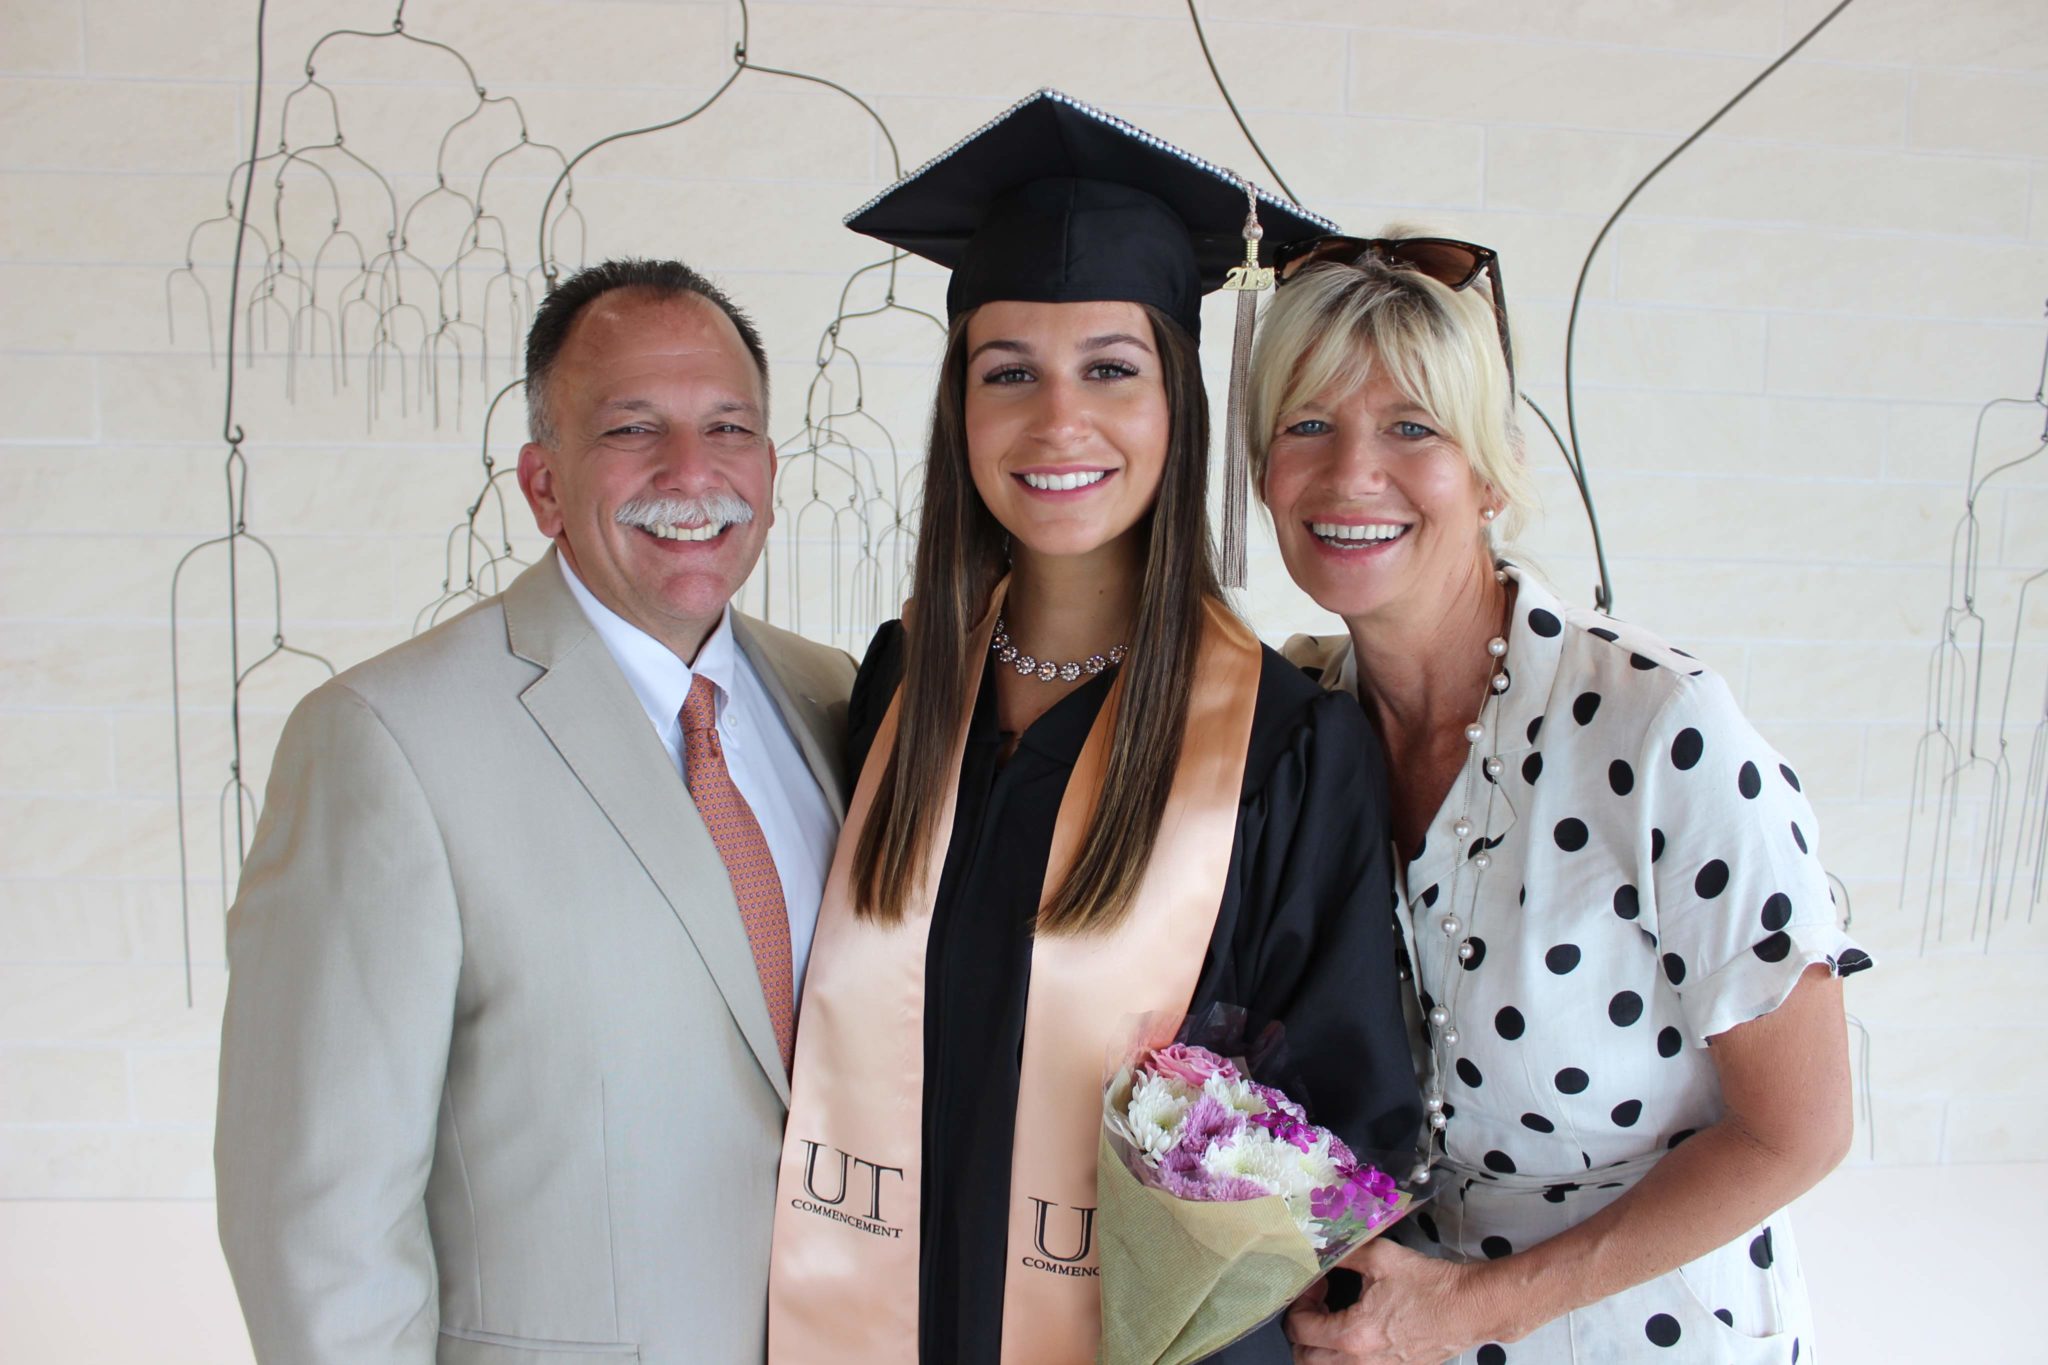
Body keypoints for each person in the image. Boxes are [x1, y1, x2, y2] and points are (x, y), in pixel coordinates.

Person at [764, 91, 1424, 1365]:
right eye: (1006, 371)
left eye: (1110, 370)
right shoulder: (902, 690)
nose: (1056, 422)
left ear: (1178, 398)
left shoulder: (1287, 750)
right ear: (958, 410)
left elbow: (1337, 1153)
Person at [215, 258, 857, 1364]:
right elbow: (317, 1220)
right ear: (542, 483)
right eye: (630, 430)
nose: (691, 472)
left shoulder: (839, 701)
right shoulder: (384, 741)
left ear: (769, 464)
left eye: (728, 427)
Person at [1258, 234, 1873, 1364]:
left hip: (1654, 1335)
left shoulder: (1660, 726)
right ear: (1260, 470)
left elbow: (1801, 1129)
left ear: (1490, 472)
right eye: (1306, 424)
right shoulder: (1293, 731)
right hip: (1392, 1336)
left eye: (1412, 427)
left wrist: (1468, 1314)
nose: (1351, 473)